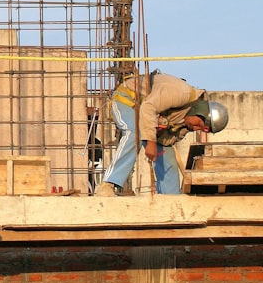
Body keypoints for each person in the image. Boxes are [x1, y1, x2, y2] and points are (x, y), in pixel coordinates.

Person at [95, 70, 228, 196]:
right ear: (200, 112)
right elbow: (148, 107)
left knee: (167, 156)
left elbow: (167, 140)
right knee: (135, 133)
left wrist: (158, 132)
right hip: (126, 100)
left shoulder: (186, 124)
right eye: (199, 124)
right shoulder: (182, 93)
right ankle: (108, 184)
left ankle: (171, 202)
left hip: (146, 116)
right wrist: (151, 140)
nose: (195, 128)